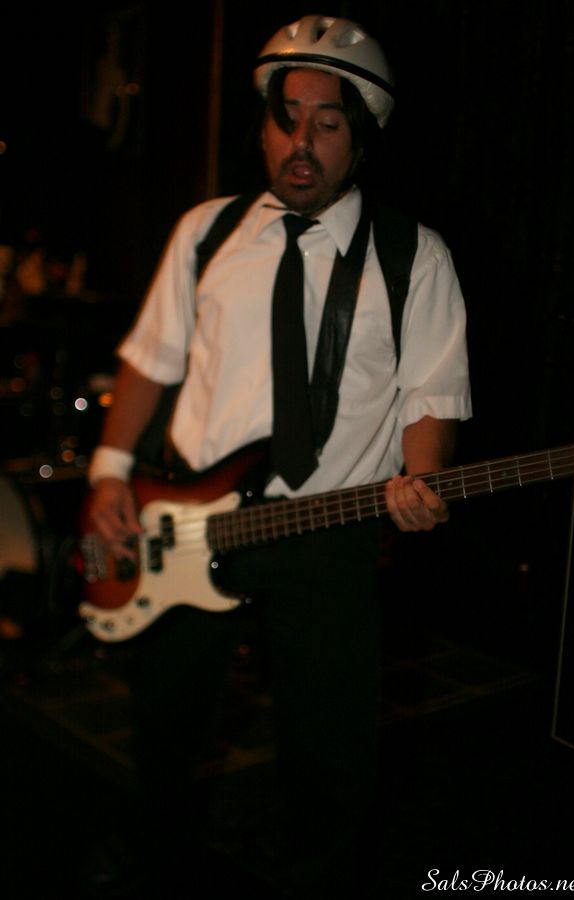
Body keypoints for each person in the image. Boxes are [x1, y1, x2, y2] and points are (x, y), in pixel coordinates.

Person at [86, 14, 472, 899]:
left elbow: (432, 397)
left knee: (330, 750)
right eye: (285, 118)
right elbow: (151, 359)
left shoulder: (415, 256)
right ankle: (153, 860)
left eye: (327, 123)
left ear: (360, 137)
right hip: (190, 521)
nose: (301, 142)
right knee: (165, 723)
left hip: (328, 528)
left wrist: (421, 478)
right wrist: (109, 473)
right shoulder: (206, 232)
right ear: (261, 128)